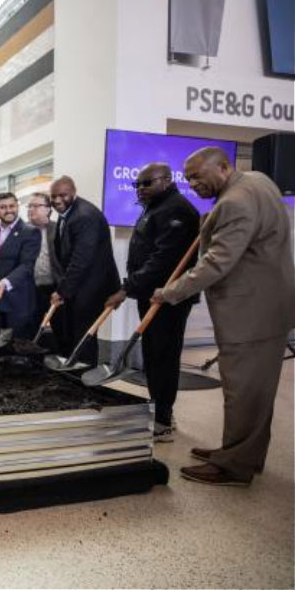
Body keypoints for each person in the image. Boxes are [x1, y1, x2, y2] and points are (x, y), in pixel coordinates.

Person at [154, 147, 295, 486]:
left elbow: (216, 263)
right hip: (266, 307)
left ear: (223, 167)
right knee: (254, 391)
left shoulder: (235, 202)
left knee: (244, 391)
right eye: (188, 178)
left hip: (251, 314)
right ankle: (240, 452)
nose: (192, 184)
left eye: (198, 176)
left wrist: (169, 292)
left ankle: (234, 466)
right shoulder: (258, 181)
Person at [104, 163, 199, 443]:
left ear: (167, 180)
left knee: (164, 357)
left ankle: (163, 421)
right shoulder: (155, 206)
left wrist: (126, 289)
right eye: (137, 184)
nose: (140, 188)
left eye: (147, 183)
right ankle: (158, 409)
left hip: (168, 299)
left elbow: (163, 259)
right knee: (154, 355)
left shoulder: (177, 209)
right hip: (151, 294)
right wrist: (134, 287)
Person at [49, 175, 120, 364]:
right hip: (79, 287)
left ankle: (84, 380)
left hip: (91, 288)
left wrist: (62, 290)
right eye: (53, 197)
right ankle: (74, 375)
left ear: (74, 192)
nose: (57, 200)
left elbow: (81, 260)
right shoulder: (68, 215)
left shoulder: (84, 216)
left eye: (62, 195)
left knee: (83, 339)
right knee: (73, 335)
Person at [0, 192, 41, 339]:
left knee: (18, 348)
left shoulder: (30, 231)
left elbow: (27, 265)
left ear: (17, 206)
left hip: (19, 301)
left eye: (12, 206)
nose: (8, 210)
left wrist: (4, 283)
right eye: (3, 207)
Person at [26, 192, 60, 332]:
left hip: (55, 288)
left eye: (37, 205)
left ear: (48, 209)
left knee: (60, 327)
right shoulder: (23, 230)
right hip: (30, 289)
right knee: (31, 328)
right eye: (29, 206)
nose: (31, 209)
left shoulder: (58, 229)